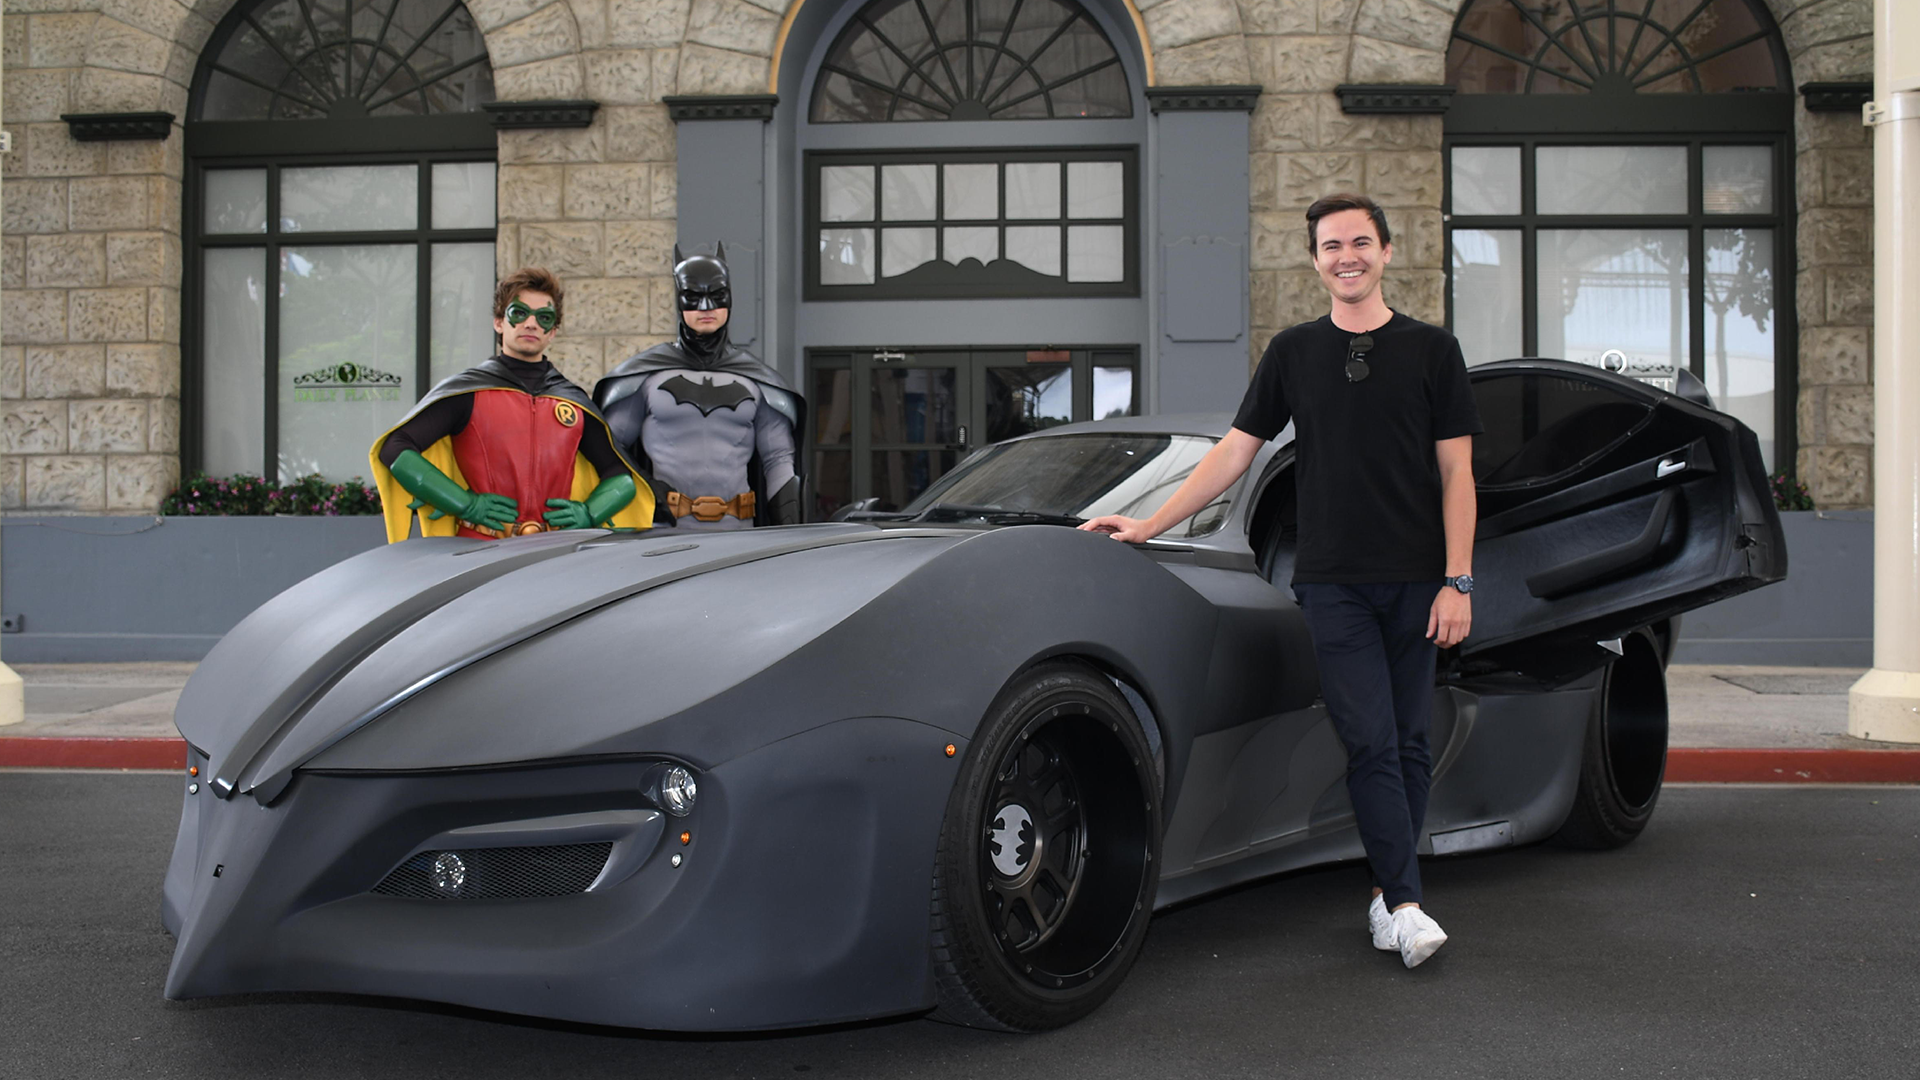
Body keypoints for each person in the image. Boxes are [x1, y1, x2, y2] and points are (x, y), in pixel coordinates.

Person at [1080, 193, 1482, 969]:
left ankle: (1382, 893)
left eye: (1360, 242)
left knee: (1409, 743)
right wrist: (1148, 524)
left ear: (1387, 252)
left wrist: (1457, 581)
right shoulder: (1293, 353)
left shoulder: (1434, 351)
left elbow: (1459, 471)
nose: (1346, 257)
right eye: (1331, 246)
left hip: (1418, 580)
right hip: (1333, 585)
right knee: (1368, 741)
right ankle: (1405, 903)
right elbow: (1234, 452)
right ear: (1315, 262)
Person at [369, 267, 653, 542]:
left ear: (552, 331)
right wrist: (464, 504)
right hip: (480, 549)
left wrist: (590, 513)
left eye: (544, 317)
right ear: (498, 322)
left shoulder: (572, 401)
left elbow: (623, 477)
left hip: (557, 552)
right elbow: (395, 447)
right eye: (519, 313)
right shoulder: (468, 391)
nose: (531, 324)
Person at [594, 245, 804, 531]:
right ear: (679, 301)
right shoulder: (647, 375)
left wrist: (790, 536)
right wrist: (644, 486)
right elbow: (608, 448)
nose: (706, 308)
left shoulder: (757, 379)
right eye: (693, 297)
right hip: (665, 532)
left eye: (716, 296)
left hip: (739, 533)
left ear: (730, 299)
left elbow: (778, 461)